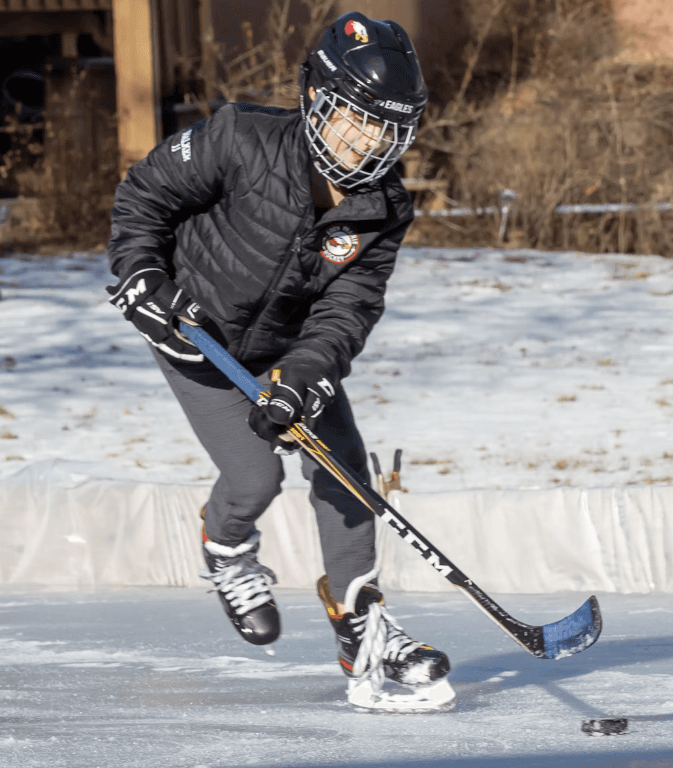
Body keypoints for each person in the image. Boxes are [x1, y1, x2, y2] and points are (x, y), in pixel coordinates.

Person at [104, 12, 450, 708]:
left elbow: (347, 308)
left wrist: (306, 378)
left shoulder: (381, 209)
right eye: (354, 119)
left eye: (384, 129)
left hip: (286, 352)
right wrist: (142, 276)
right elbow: (144, 197)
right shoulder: (238, 139)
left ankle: (364, 627)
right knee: (255, 475)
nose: (365, 142)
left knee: (344, 471)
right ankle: (226, 545)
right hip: (192, 337)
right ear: (316, 101)